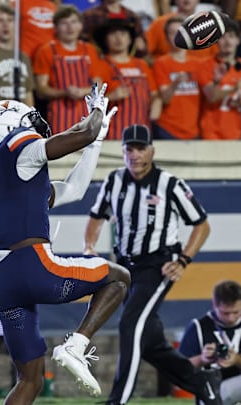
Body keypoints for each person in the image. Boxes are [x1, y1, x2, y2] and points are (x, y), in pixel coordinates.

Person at [0, 83, 131, 403]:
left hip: (0, 277)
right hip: (30, 263)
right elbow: (82, 133)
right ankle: (76, 345)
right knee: (119, 277)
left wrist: (97, 142)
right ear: (8, 127)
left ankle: (74, 346)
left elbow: (72, 190)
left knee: (28, 380)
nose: (35, 126)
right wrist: (96, 115)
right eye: (26, 120)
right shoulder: (16, 145)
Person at [82, 124, 221, 405]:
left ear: (152, 150)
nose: (134, 155)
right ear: (122, 152)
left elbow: (202, 225)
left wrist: (183, 260)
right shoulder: (113, 181)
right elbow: (97, 215)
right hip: (125, 267)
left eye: (140, 148)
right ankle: (202, 384)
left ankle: (117, 400)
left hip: (158, 265)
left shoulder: (169, 184)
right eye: (129, 149)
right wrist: (89, 246)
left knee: (130, 325)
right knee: (149, 341)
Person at [33, 5, 104, 136]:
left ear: (81, 25)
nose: (70, 27)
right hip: (59, 113)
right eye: (64, 23)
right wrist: (64, 92)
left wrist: (81, 91)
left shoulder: (90, 50)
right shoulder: (46, 51)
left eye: (74, 22)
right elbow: (41, 89)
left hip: (87, 111)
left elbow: (98, 84)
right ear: (56, 27)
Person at [94, 19, 161, 139]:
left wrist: (157, 102)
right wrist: (110, 97)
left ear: (130, 40)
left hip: (142, 130)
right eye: (113, 34)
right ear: (105, 40)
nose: (118, 38)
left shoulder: (142, 65)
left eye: (123, 34)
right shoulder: (100, 65)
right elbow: (91, 102)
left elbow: (154, 94)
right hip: (112, 134)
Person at [151, 16, 204, 140]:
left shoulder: (199, 64)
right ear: (166, 38)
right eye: (173, 33)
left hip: (194, 130)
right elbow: (165, 98)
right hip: (168, 129)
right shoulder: (161, 63)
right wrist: (175, 83)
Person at [199, 21, 241, 140]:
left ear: (238, 40)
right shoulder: (207, 65)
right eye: (222, 37)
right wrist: (233, 88)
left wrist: (240, 97)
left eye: (231, 36)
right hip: (210, 132)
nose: (227, 41)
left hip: (235, 132)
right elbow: (211, 97)